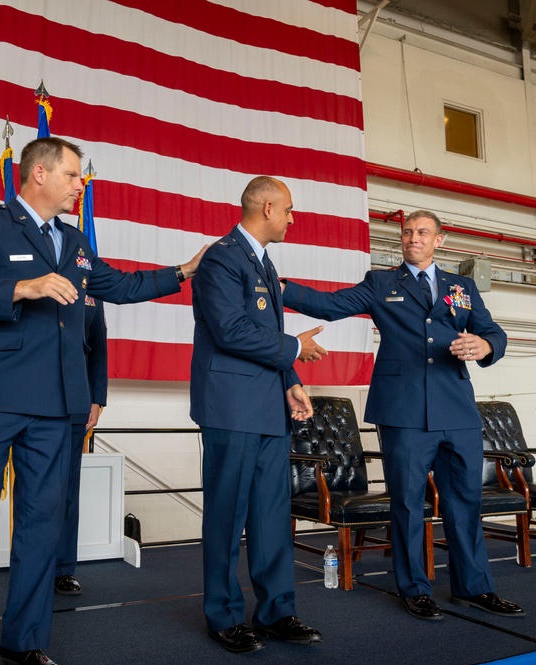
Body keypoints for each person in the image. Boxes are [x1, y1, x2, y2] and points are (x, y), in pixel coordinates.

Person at [0, 136, 206, 665]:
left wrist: (183, 272)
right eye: (74, 175)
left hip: (56, 408)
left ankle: (24, 641)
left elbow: (117, 285)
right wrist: (25, 287)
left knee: (41, 523)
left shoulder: (74, 241)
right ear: (40, 174)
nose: (81, 185)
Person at [282, 209, 525, 621]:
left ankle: (475, 587)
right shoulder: (381, 283)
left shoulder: (461, 287)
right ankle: (415, 589)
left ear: (439, 240)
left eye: (423, 233)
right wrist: (280, 286)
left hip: (457, 409)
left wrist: (485, 347)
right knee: (409, 504)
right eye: (408, 232)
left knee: (465, 501)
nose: (414, 238)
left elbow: (493, 332)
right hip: (403, 410)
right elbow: (330, 304)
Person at [190, 176, 326, 654]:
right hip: (230, 406)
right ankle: (223, 616)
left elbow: (266, 330)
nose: (292, 219)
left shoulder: (263, 263)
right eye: (288, 210)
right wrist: (296, 348)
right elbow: (231, 331)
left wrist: (291, 382)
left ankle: (276, 611)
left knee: (271, 515)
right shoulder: (223, 258)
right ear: (267, 207)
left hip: (269, 407)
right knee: (227, 515)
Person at [54, 296, 107, 596]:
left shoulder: (91, 288)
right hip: (35, 399)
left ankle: (63, 569)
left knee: (68, 489)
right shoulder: (38, 276)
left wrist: (97, 397)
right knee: (35, 489)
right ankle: (30, 564)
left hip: (76, 401)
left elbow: (98, 346)